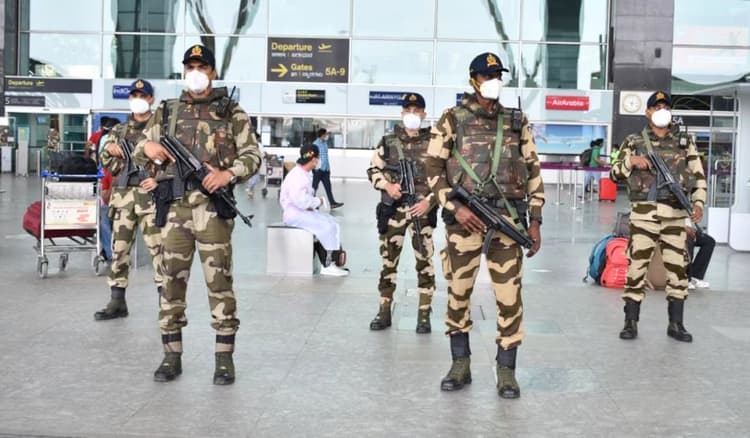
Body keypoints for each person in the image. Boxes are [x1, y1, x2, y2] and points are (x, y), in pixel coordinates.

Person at [135, 44, 261, 385]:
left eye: (202, 67)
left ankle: (224, 360)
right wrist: (148, 147)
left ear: (213, 72)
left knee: (219, 284)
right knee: (170, 283)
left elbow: (252, 155)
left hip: (213, 212)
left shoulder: (232, 113)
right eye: (190, 67)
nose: (195, 73)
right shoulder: (167, 111)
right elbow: (140, 146)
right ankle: (171, 356)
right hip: (174, 209)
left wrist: (227, 174)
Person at [425, 52, 544, 399]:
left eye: (497, 76)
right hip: (465, 222)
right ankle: (460, 364)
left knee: (509, 298)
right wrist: (455, 207)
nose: (494, 81)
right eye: (487, 76)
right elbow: (432, 168)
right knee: (458, 293)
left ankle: (506, 370)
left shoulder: (517, 121)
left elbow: (533, 170)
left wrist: (535, 220)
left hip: (506, 221)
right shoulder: (452, 119)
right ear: (473, 80)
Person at [610, 91, 707, 343]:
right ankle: (630, 322)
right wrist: (631, 161)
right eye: (657, 106)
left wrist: (698, 202)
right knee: (636, 269)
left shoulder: (685, 141)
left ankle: (676, 324)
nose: (662, 110)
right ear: (648, 112)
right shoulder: (633, 141)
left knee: (678, 270)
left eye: (666, 106)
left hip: (674, 216)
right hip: (644, 215)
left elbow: (698, 175)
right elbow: (614, 172)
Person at [366, 92, 437, 333]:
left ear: (424, 114)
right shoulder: (388, 142)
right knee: (388, 263)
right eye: (408, 110)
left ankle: (424, 314)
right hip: (394, 211)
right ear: (402, 113)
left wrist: (429, 201)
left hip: (421, 212)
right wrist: (387, 186)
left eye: (417, 111)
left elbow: (445, 178)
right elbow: (373, 170)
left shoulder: (434, 142)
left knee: (425, 263)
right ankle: (384, 310)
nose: (412, 114)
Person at [94, 79, 162, 321]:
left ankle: (166, 302)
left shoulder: (161, 129)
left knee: (159, 250)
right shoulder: (119, 131)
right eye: (134, 95)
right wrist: (110, 152)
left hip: (151, 198)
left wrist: (157, 177)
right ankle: (117, 300)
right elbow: (107, 162)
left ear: (151, 99)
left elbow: (169, 159)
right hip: (123, 197)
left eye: (142, 95)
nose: (138, 99)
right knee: (119, 249)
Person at [280, 144, 349, 277]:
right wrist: (318, 201)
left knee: (332, 221)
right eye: (318, 158)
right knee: (327, 226)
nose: (319, 161)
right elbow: (300, 201)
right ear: (314, 160)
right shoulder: (297, 176)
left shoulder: (303, 173)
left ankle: (331, 261)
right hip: (294, 215)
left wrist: (312, 204)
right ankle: (327, 265)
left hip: (301, 212)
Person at [312, 128, 343, 209]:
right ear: (322, 135)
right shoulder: (315, 144)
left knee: (328, 187)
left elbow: (325, 156)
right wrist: (314, 167)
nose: (327, 136)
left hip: (326, 170)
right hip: (318, 170)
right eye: (326, 134)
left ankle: (332, 203)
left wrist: (328, 168)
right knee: (314, 187)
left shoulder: (325, 143)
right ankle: (311, 203)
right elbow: (310, 155)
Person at [686, 222, 714, 290]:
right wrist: (684, 228)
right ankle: (686, 279)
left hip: (688, 227)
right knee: (689, 241)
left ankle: (695, 276)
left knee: (709, 241)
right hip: (675, 229)